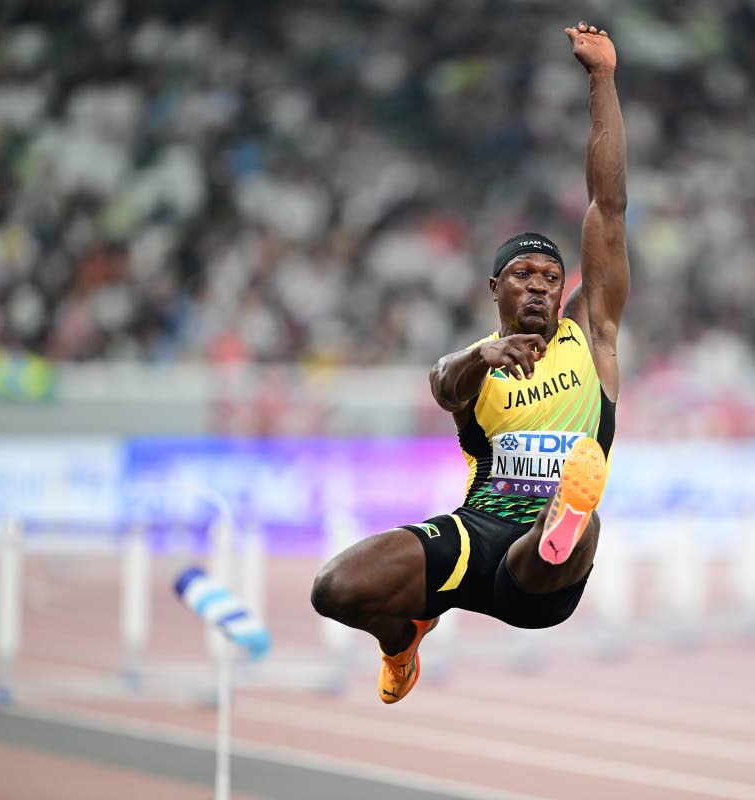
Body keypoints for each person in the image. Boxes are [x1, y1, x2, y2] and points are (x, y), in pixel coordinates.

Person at [311, 20, 628, 703]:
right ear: (496, 290)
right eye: (524, 273)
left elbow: (609, 206)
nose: (541, 283)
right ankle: (403, 642)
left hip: (541, 573)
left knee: (577, 520)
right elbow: (442, 385)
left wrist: (602, 79)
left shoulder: (591, 333)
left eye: (551, 273)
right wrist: (486, 354)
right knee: (333, 589)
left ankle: (567, 515)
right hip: (474, 535)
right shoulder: (476, 364)